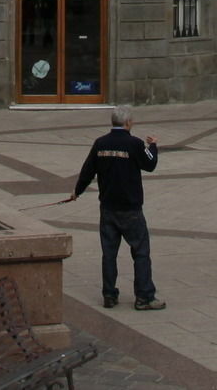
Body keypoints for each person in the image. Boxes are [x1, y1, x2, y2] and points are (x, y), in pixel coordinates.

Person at [64, 106, 163, 311]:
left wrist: (77, 192)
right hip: (131, 208)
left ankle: (109, 294)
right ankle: (144, 296)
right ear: (127, 123)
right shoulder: (135, 143)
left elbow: (87, 170)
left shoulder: (100, 143)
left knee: (109, 253)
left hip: (108, 207)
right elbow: (150, 164)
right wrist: (153, 146)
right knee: (141, 251)